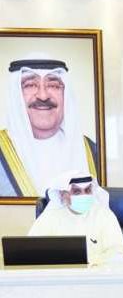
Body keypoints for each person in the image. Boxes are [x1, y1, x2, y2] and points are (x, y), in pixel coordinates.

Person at [0, 57, 98, 197]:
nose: (43, 96)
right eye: (30, 85)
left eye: (53, 86)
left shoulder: (91, 151)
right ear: (15, 95)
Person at [29, 171, 123, 266]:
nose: (84, 195)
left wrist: (91, 263)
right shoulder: (50, 217)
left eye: (87, 190)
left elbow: (119, 254)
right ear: (63, 194)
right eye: (77, 192)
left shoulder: (104, 215)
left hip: (96, 274)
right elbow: (31, 253)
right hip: (59, 276)